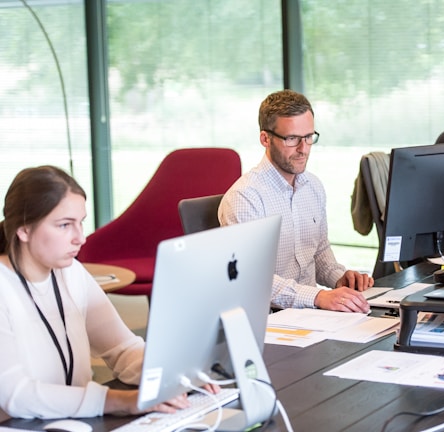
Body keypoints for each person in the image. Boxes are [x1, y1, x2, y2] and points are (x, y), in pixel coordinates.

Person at [0, 165, 217, 420]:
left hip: (72, 421)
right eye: (64, 225)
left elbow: (123, 349)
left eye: (80, 223)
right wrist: (121, 401)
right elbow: (16, 395)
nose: (80, 238)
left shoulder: (71, 273)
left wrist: (178, 375)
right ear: (23, 229)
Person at [218, 89, 373, 313]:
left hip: (311, 315)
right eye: (292, 139)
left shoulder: (313, 187)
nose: (303, 149)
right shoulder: (245, 198)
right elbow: (252, 278)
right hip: (270, 320)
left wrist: (341, 279)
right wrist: (318, 296)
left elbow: (319, 253)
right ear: (265, 138)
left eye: (309, 137)